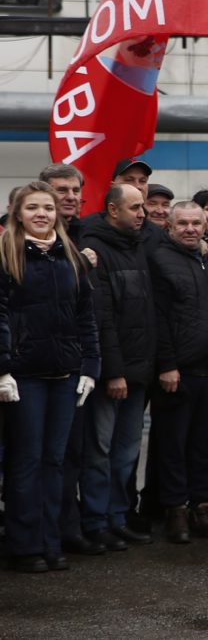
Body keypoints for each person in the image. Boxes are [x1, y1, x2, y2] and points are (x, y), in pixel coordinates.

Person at [0, 182, 99, 573]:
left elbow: (85, 315)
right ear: (18, 213)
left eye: (48, 208)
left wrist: (90, 367)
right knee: (26, 461)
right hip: (24, 376)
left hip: (65, 375)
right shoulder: (6, 255)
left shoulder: (69, 256)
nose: (41, 214)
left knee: (55, 462)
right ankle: (24, 545)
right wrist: (3, 369)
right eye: (32, 208)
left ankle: (50, 541)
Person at [149, 203, 208, 544]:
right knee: (174, 446)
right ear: (169, 227)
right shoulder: (160, 260)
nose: (190, 229)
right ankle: (176, 512)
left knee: (204, 446)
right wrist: (167, 365)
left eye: (195, 223)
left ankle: (202, 508)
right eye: (182, 223)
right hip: (178, 373)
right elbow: (158, 318)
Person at [77, 185, 157, 552]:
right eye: (135, 207)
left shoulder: (138, 245)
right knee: (100, 450)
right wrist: (113, 372)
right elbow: (102, 316)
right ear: (113, 210)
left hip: (139, 371)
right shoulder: (96, 248)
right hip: (116, 373)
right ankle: (95, 520)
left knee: (126, 452)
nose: (143, 213)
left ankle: (117, 517)